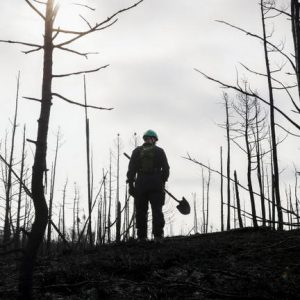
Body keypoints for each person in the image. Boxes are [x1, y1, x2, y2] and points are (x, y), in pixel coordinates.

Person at [127, 130, 170, 242]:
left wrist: (131, 186)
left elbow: (131, 170)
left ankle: (142, 237)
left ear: (145, 139)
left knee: (141, 211)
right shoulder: (160, 151)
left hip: (141, 183)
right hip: (156, 183)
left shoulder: (136, 151)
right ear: (154, 139)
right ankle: (158, 236)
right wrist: (162, 181)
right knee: (157, 210)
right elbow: (166, 169)